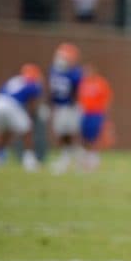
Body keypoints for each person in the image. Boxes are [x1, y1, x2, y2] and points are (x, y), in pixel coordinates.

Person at [0, 64, 43, 171]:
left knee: (4, 132)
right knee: (27, 130)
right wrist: (31, 115)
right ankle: (29, 161)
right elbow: (32, 104)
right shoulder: (33, 84)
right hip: (10, 104)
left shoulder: (15, 79)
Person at [48, 43, 84, 174]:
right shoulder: (54, 69)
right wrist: (50, 104)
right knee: (63, 135)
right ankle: (72, 159)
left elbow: (75, 91)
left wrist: (71, 106)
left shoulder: (75, 72)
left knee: (69, 134)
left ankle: (74, 160)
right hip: (60, 106)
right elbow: (53, 90)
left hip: (70, 107)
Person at [77, 64, 113, 172]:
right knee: (85, 136)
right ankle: (86, 157)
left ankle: (94, 157)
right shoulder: (83, 83)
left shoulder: (100, 83)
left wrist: (105, 114)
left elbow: (107, 99)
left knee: (95, 135)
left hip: (97, 113)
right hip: (85, 113)